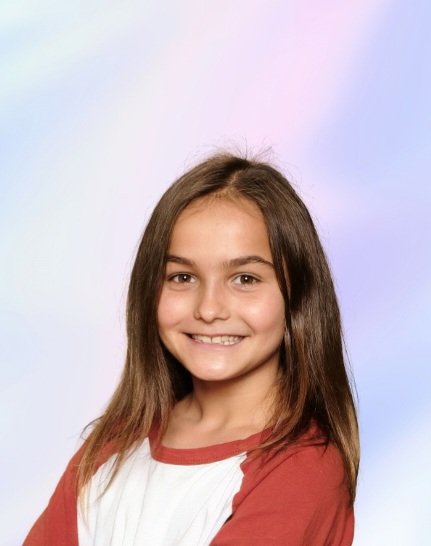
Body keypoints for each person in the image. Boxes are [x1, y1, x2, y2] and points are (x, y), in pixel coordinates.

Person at [24, 153, 360, 546]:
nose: (209, 309)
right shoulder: (114, 443)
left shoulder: (301, 470)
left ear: (297, 294)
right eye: (183, 277)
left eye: (245, 279)